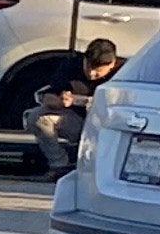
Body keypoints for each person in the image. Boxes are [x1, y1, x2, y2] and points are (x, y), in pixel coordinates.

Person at [28, 34, 124, 173]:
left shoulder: (123, 73)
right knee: (37, 117)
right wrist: (59, 101)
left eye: (98, 70)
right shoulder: (71, 66)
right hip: (78, 121)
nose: (91, 74)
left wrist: (85, 100)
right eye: (88, 66)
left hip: (106, 125)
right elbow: (48, 94)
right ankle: (59, 165)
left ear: (112, 64)